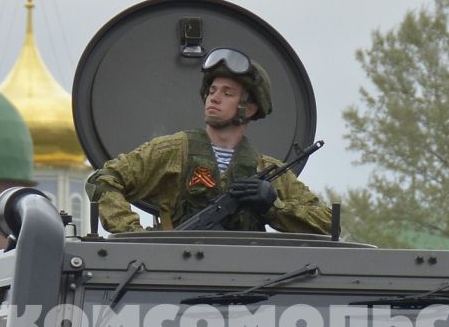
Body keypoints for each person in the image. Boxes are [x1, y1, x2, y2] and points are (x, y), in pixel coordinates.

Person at [86, 47, 331, 235]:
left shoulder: (266, 170)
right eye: (212, 91)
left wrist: (272, 207)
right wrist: (137, 237)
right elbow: (104, 181)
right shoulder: (173, 152)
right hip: (172, 278)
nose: (214, 98)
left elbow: (328, 223)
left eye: (227, 93)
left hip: (250, 286)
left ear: (250, 108)